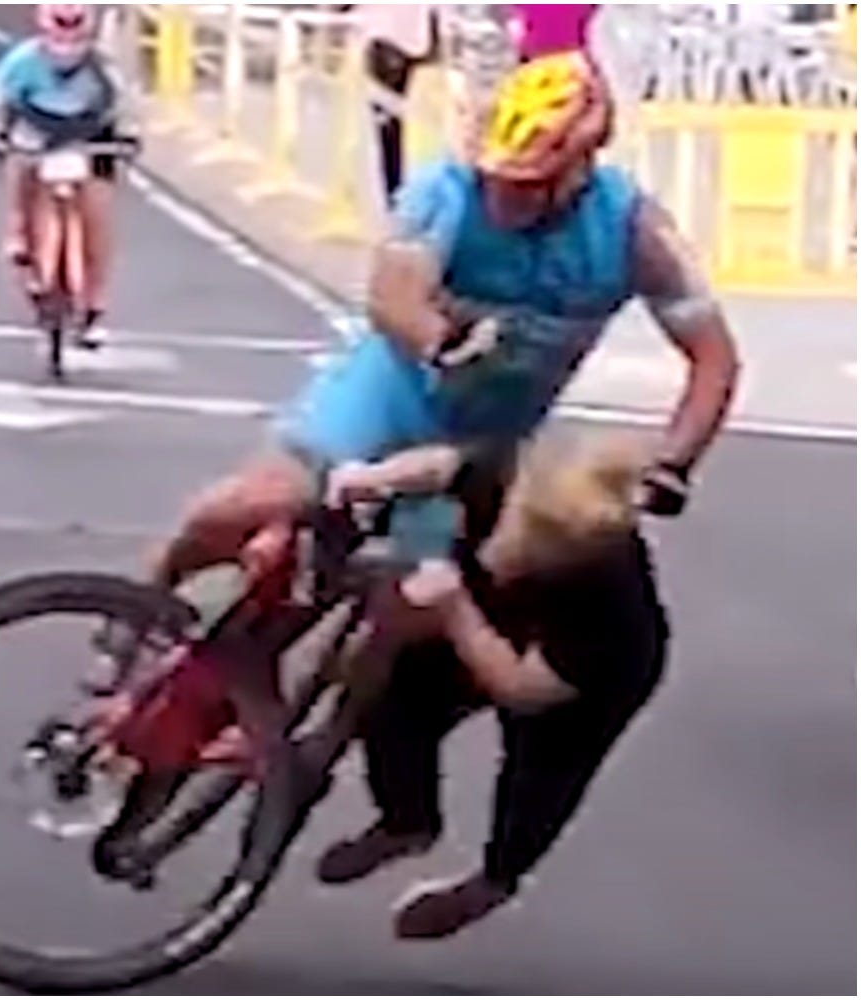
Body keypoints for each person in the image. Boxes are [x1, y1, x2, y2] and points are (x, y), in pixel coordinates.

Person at [149, 51, 736, 622]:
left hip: (485, 442)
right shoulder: (446, 190)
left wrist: (673, 463)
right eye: (496, 178)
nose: (504, 197)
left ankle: (334, 717)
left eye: (529, 185)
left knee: (421, 616)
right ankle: (141, 608)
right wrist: (439, 341)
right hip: (385, 401)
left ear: (581, 171)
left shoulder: (635, 230)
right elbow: (391, 296)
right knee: (251, 503)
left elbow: (714, 361)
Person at [309, 432, 668, 940]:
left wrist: (456, 610)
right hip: (502, 606)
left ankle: (494, 880)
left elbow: (521, 690)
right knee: (400, 697)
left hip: (580, 673)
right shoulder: (516, 480)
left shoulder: (604, 605)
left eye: (545, 551)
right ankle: (405, 821)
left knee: (541, 772)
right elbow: (442, 464)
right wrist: (370, 479)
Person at [0, 4, 128, 348]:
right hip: (35, 136)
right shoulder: (22, 61)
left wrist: (129, 138)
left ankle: (93, 305)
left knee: (98, 219)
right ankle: (19, 234)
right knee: (18, 168)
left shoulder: (103, 68)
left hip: (88, 140)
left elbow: (126, 105)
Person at [357, 4, 440, 203]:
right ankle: (397, 195)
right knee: (390, 127)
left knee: (389, 127)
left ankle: (396, 195)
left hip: (390, 38)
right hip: (392, 38)